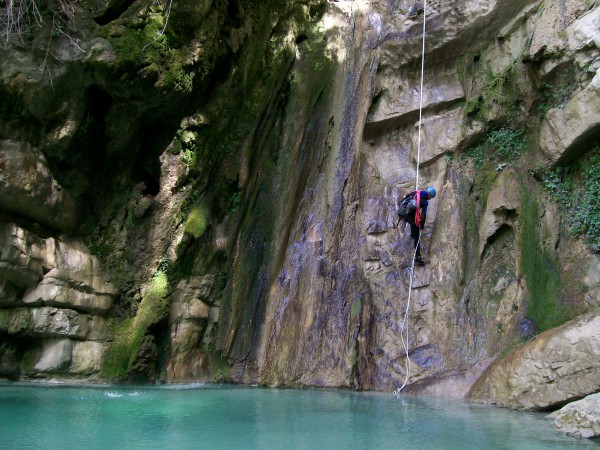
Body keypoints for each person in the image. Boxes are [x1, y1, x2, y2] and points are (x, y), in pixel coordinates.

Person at [400, 186, 436, 265]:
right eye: (431, 197)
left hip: (403, 213)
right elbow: (423, 215)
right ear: (429, 195)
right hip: (410, 217)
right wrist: (422, 226)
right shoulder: (425, 201)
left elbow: (405, 198)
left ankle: (412, 233)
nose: (430, 199)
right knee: (417, 235)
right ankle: (417, 257)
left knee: (413, 224)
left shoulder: (415, 192)